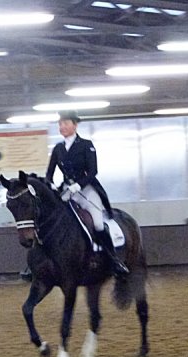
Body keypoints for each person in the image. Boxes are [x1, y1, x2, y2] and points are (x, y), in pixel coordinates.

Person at [20, 110, 129, 281]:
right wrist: (51, 186)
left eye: (65, 123)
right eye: (60, 124)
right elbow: (49, 173)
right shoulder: (58, 148)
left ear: (75, 125)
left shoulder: (86, 145)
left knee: (98, 223)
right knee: (49, 220)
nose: (62, 126)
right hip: (66, 191)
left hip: (86, 190)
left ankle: (114, 261)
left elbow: (93, 171)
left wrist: (78, 185)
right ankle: (35, 263)